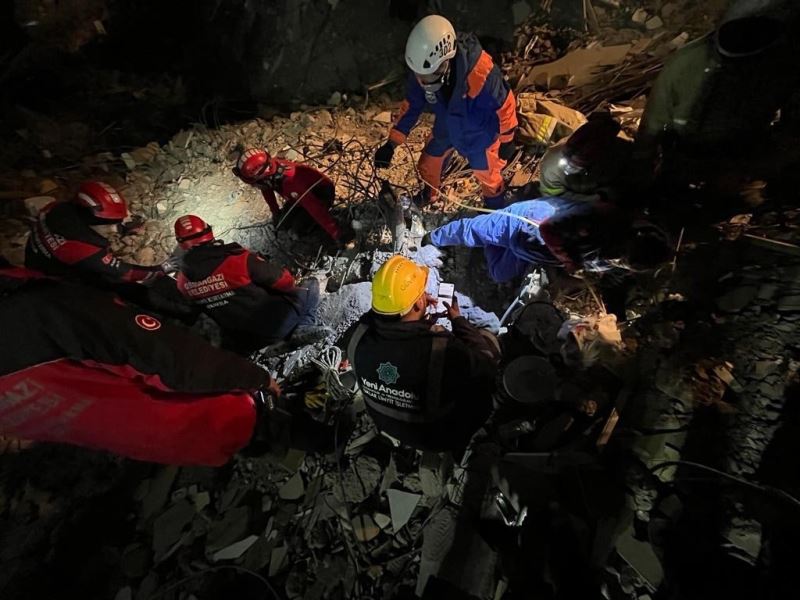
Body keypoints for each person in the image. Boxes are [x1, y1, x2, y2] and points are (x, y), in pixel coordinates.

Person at [0, 266, 284, 466]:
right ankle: (313, 438)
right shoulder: (36, 312)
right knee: (279, 426)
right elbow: (168, 358)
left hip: (167, 448)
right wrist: (253, 376)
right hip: (216, 413)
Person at [633, 0, 800, 190]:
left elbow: (792, 129)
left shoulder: (780, 66)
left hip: (744, 159)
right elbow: (653, 124)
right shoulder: (686, 64)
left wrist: (759, 167)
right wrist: (642, 170)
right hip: (686, 160)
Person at [346, 255, 501, 451]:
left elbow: (377, 316)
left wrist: (414, 307)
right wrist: (458, 321)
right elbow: (487, 366)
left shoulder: (357, 336)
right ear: (419, 303)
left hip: (387, 424)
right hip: (437, 437)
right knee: (487, 338)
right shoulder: (441, 348)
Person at [373, 15, 517, 209]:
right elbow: (412, 104)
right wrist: (392, 143)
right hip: (447, 127)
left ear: (445, 62)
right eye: (420, 76)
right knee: (428, 164)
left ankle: (495, 208)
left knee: (489, 177)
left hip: (480, 133)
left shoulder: (480, 72)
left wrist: (508, 139)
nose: (423, 81)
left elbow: (505, 105)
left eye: (428, 76)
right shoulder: (423, 70)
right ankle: (430, 194)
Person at [172, 215, 329, 354]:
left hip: (248, 340)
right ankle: (303, 327)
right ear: (208, 232)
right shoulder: (236, 260)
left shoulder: (182, 283)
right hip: (278, 323)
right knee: (312, 285)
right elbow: (284, 282)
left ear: (181, 243)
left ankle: (272, 346)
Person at [429, 196, 671, 282]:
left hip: (532, 249)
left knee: (498, 274)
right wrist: (569, 262)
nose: (618, 260)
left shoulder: (620, 256)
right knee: (473, 232)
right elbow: (549, 230)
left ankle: (494, 229)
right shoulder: (599, 219)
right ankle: (433, 238)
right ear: (631, 238)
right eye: (623, 256)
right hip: (525, 224)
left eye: (624, 262)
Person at [25, 181, 164, 285]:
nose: (114, 230)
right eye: (107, 225)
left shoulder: (55, 209)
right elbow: (126, 272)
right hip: (51, 280)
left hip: (36, 257)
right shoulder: (80, 250)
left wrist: (126, 228)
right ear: (87, 219)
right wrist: (161, 270)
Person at [234, 147, 345, 242]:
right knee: (282, 225)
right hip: (299, 198)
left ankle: (317, 233)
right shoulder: (270, 172)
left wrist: (336, 233)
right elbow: (266, 189)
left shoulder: (290, 182)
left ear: (263, 176)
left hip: (320, 196)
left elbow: (314, 207)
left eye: (255, 183)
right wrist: (275, 211)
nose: (256, 186)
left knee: (295, 232)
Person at [538, 116, 631, 198]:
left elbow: (623, 184)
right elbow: (553, 196)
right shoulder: (551, 164)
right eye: (569, 160)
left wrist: (604, 195)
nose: (570, 165)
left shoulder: (619, 155)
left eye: (580, 161)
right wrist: (591, 202)